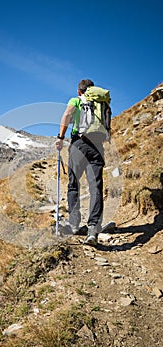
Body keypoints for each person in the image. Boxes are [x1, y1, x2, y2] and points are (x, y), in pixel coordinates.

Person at [55, 79, 110, 246]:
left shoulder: (77, 100)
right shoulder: (102, 103)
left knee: (73, 184)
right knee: (95, 187)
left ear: (80, 91)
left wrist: (61, 137)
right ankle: (93, 227)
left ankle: (74, 224)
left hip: (79, 144)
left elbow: (66, 115)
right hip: (97, 146)